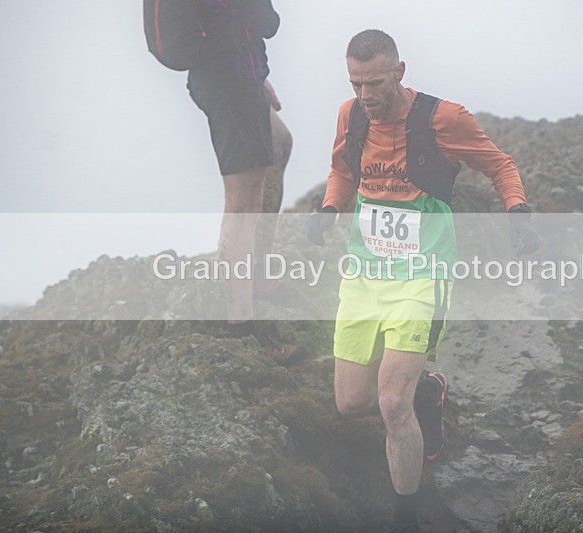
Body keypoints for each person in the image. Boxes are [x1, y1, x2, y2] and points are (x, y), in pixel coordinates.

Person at [308, 29, 539, 532]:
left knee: (391, 402)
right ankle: (429, 393)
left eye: (374, 82)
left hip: (422, 275)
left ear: (399, 71)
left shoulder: (443, 118)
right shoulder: (351, 115)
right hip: (364, 274)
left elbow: (500, 165)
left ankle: (404, 518)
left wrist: (517, 210)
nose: (365, 95)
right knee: (353, 404)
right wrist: (328, 209)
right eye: (355, 83)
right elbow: (342, 170)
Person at [186, 0, 293, 326]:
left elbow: (230, 21)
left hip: (236, 71)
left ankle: (254, 272)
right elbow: (267, 22)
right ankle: (239, 321)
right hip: (228, 78)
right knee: (243, 201)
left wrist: (258, 78)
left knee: (279, 142)